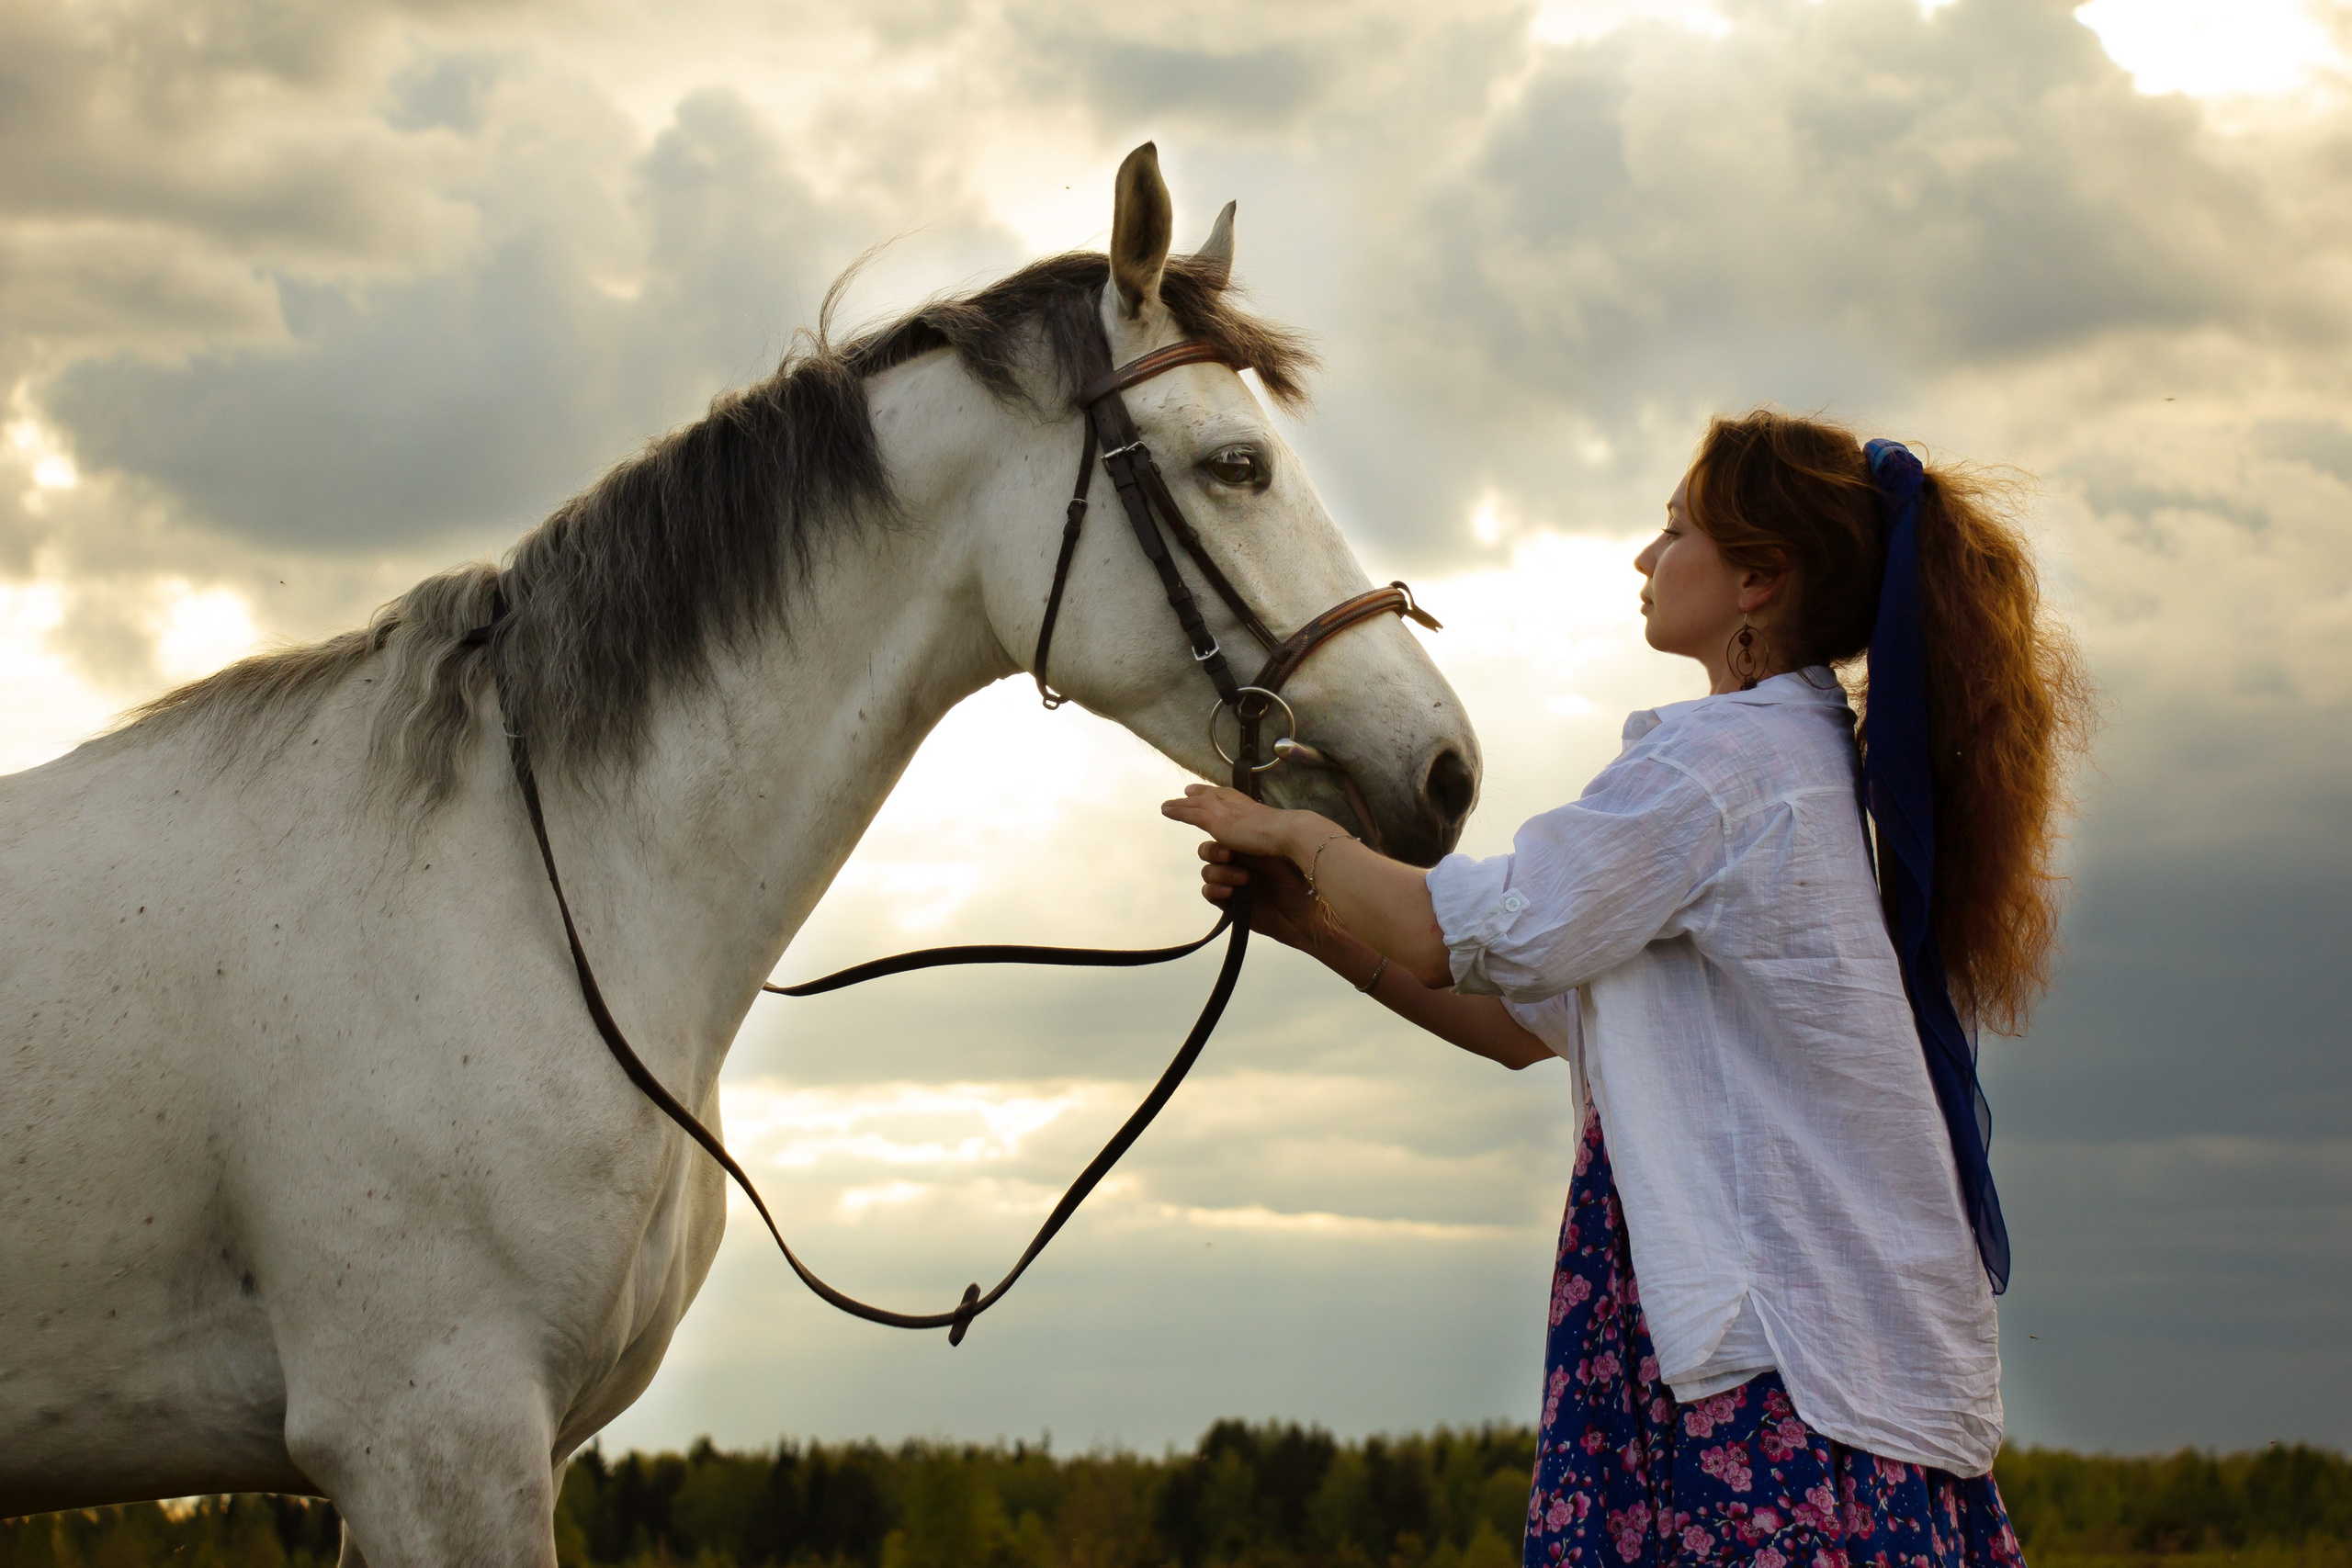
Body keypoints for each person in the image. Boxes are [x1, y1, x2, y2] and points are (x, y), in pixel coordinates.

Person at [1162, 410, 2091, 1566]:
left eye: (1674, 532)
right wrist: (1311, 928)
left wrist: (1299, 838)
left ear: (1759, 578)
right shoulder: (1784, 770)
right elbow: (1519, 1023)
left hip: (1776, 1377)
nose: (1646, 560)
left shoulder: (1720, 768)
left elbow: (1502, 929)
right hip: (1813, 1357)